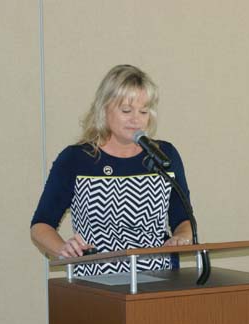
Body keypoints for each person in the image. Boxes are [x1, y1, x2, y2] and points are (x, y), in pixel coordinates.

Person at [30, 64, 193, 277]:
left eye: (143, 111)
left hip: (159, 279)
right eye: (126, 110)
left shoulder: (164, 155)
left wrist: (181, 238)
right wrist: (63, 249)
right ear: (104, 109)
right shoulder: (76, 159)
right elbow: (41, 226)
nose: (136, 119)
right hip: (96, 281)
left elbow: (184, 219)